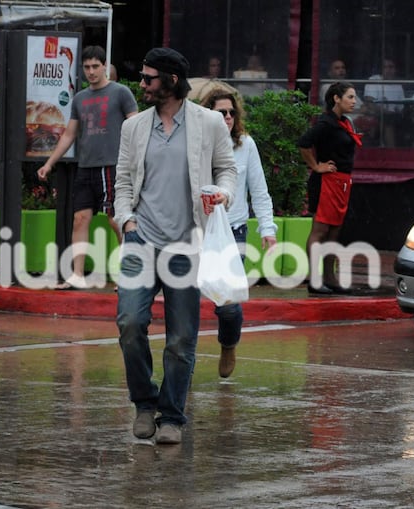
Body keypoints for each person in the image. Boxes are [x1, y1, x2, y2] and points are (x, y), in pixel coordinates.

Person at [114, 47, 237, 444]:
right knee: (130, 325)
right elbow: (122, 183)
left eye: (149, 79)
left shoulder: (210, 123)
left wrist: (222, 193)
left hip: (187, 246)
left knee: (181, 340)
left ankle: (171, 416)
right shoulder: (134, 127)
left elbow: (227, 170)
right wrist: (126, 219)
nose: (142, 85)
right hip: (140, 240)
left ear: (170, 80)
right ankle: (145, 403)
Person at [37, 45, 138, 289]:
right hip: (86, 166)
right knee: (80, 219)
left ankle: (129, 273)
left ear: (105, 66)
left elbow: (137, 126)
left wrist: (137, 160)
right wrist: (49, 163)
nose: (91, 71)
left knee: (116, 219)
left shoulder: (121, 93)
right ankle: (77, 275)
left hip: (112, 166)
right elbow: (69, 134)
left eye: (95, 66)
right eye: (86, 67)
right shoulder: (79, 98)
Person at [200, 89, 277, 378]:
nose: (228, 117)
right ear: (209, 114)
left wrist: (267, 230)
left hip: (233, 232)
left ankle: (228, 344)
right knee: (183, 303)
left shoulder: (245, 145)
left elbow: (259, 191)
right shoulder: (195, 144)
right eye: (221, 112)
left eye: (232, 112)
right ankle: (184, 363)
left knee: (228, 307)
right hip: (195, 232)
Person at [297, 81, 361, 295]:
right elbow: (304, 143)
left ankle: (329, 277)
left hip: (342, 182)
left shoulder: (345, 122)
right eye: (350, 97)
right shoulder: (326, 123)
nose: (354, 101)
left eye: (354, 97)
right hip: (327, 182)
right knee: (320, 231)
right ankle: (314, 280)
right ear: (336, 98)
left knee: (334, 231)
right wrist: (316, 166)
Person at [363, 58, 404, 147]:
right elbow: (370, 103)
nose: (388, 70)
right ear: (381, 70)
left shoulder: (398, 85)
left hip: (396, 118)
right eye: (385, 67)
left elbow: (401, 108)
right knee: (387, 120)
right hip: (378, 117)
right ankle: (392, 154)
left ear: (395, 69)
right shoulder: (374, 80)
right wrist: (386, 112)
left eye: (391, 67)